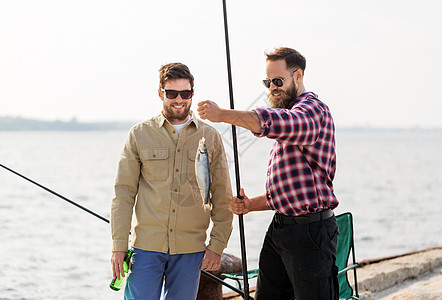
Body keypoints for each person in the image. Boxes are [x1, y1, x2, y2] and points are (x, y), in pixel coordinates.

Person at [197, 47, 339, 300]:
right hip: (281, 229)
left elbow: (280, 123)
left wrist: (222, 115)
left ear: (298, 76)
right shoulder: (290, 115)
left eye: (278, 81)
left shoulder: (313, 111)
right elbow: (290, 193)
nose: (272, 88)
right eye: (267, 82)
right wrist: (251, 205)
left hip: (310, 234)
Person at [110, 62, 233, 300]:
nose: (179, 99)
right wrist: (118, 246)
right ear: (160, 94)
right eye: (172, 93)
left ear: (192, 94)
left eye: (185, 93)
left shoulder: (211, 137)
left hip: (191, 249)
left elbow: (222, 196)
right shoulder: (139, 134)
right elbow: (123, 194)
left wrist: (217, 245)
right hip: (146, 247)